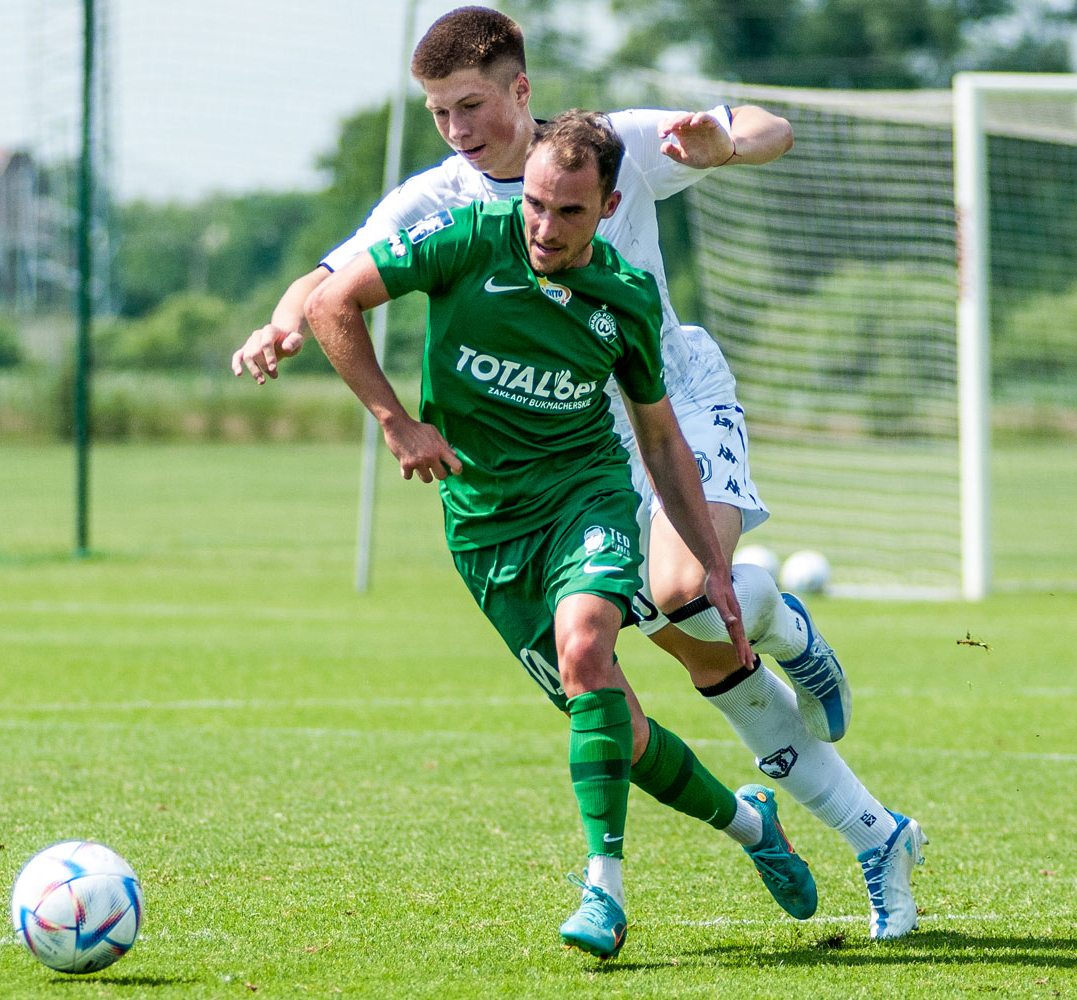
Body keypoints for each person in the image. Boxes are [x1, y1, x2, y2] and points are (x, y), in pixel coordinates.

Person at [236, 7, 926, 942]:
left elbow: (770, 126)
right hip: (573, 459)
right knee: (699, 654)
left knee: (684, 592)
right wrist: (278, 325)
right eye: (438, 112)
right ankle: (873, 832)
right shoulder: (441, 202)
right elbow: (328, 278)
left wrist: (722, 146)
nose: (457, 129)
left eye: (470, 104)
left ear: (520, 90)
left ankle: (779, 624)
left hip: (669, 402)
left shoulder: (613, 147)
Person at [305, 111, 780, 958]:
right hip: (484, 527)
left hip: (584, 494)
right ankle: (750, 824)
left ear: (607, 207)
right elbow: (329, 300)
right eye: (533, 204)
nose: (542, 227)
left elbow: (662, 441)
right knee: (620, 730)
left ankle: (604, 888)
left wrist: (711, 563)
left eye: (567, 212)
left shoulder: (626, 300)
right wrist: (394, 420)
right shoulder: (462, 238)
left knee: (586, 648)